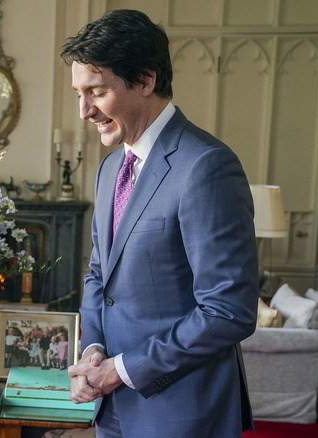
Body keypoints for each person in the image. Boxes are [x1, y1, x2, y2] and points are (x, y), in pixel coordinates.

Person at [61, 9, 259, 437]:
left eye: (96, 91)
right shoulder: (111, 169)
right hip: (111, 410)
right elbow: (99, 276)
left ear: (145, 80)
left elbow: (228, 311)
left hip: (182, 413)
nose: (84, 111)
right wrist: (94, 351)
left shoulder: (206, 166)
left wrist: (124, 368)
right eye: (79, 92)